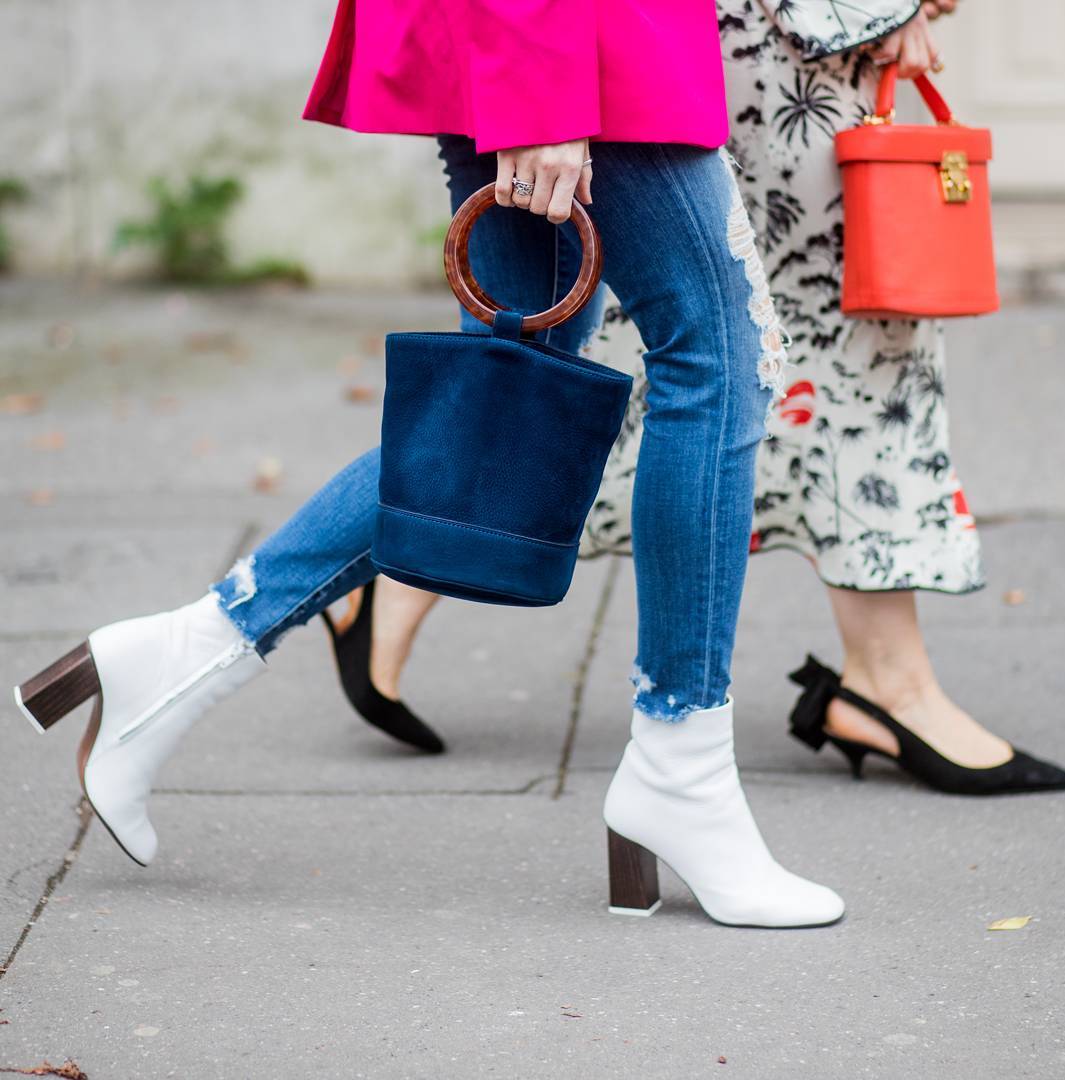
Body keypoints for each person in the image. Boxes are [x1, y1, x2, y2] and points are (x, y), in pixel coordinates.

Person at [14, 0, 844, 928]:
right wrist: (542, 89)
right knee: (720, 360)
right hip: (572, 33)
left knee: (510, 394)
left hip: (545, 38)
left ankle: (183, 655)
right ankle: (682, 767)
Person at [324, 0, 1065, 795]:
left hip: (736, 43)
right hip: (765, 42)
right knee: (793, 347)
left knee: (695, 359)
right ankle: (408, 566)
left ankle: (415, 567)